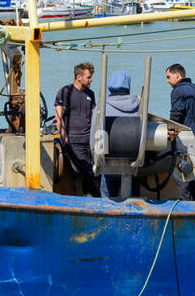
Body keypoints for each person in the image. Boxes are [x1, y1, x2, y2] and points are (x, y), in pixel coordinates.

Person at [54, 62, 98, 196]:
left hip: (89, 142)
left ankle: (89, 198)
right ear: (79, 77)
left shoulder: (91, 94)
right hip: (73, 141)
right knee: (87, 171)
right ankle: (95, 201)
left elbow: (93, 118)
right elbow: (58, 118)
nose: (91, 80)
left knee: (96, 170)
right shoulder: (65, 92)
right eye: (88, 77)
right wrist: (65, 139)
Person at [166, 63, 195, 199]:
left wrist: (169, 136)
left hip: (183, 140)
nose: (167, 81)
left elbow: (176, 117)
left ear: (177, 75)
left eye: (168, 77)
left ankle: (184, 209)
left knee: (181, 176)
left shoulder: (177, 91)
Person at [100, 70, 139, 198]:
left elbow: (94, 135)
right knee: (134, 189)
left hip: (107, 160)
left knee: (106, 194)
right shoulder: (138, 106)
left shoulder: (102, 107)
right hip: (133, 161)